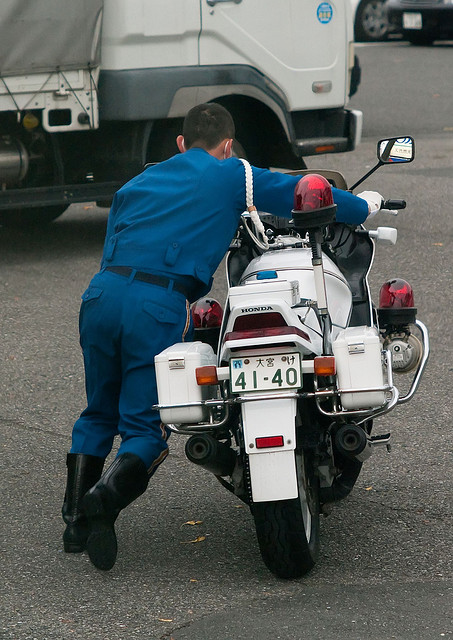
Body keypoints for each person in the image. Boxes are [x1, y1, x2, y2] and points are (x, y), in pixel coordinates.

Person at [62, 102, 381, 571]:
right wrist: (365, 204)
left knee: (97, 411)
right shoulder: (233, 173)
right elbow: (304, 191)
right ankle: (103, 504)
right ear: (227, 145)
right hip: (156, 302)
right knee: (144, 430)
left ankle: (73, 524)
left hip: (101, 296)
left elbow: (117, 243)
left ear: (180, 143)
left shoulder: (135, 184)